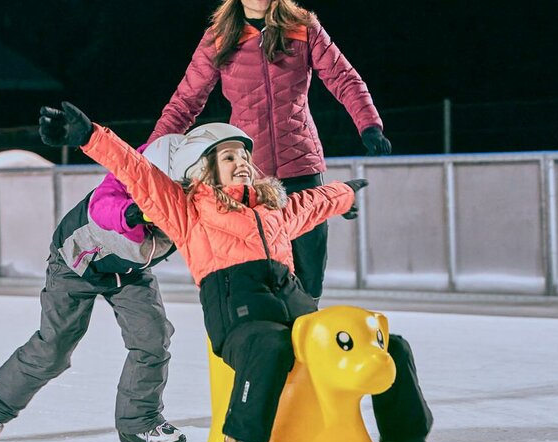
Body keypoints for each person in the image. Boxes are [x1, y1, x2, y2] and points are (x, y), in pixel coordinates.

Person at [39, 102, 466, 442]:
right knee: (269, 346)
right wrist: (89, 136)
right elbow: (137, 172)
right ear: (203, 167)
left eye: (244, 155)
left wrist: (342, 195)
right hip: (237, 309)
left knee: (385, 344)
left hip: (293, 303)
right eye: (228, 156)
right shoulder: (187, 210)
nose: (242, 162)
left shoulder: (271, 206)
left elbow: (309, 205)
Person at [149, 0, 392, 303]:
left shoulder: (303, 27)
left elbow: (344, 78)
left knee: (309, 278)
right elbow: (185, 101)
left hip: (301, 165)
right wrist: (152, 152)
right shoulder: (220, 37)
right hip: (248, 176)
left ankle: (303, 333)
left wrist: (369, 125)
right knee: (262, 269)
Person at [0, 146, 190, 442]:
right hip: (75, 264)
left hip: (128, 272)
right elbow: (105, 207)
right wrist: (134, 214)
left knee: (152, 339)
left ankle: (139, 424)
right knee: (54, 348)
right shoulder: (129, 182)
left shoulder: (194, 199)